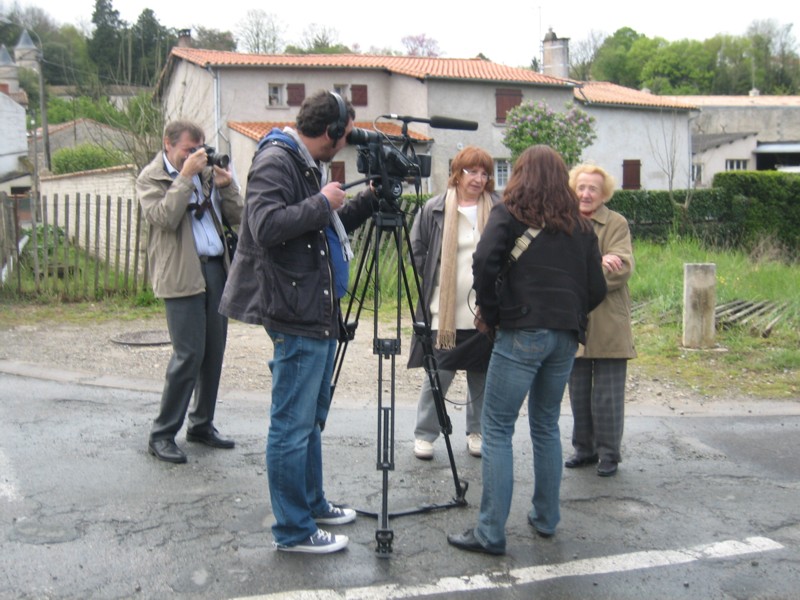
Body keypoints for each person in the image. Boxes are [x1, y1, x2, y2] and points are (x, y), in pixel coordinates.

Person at [219, 90, 376, 554]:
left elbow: (317, 226)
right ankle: (293, 530)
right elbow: (264, 226)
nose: (343, 145)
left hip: (315, 305)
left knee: (308, 419)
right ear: (329, 130)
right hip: (294, 309)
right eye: (343, 137)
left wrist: (365, 202)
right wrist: (323, 203)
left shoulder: (303, 162)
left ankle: (312, 504)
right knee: (291, 424)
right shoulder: (275, 159)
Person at [447, 145, 607, 555]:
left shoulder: (509, 213)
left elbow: (483, 262)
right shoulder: (582, 228)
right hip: (566, 336)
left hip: (520, 329)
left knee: (497, 429)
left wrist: (493, 311)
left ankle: (490, 532)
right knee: (546, 425)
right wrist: (567, 315)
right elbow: (596, 289)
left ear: (519, 175)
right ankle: (546, 519)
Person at [137, 120, 243, 464]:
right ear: (168, 145)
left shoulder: (206, 174)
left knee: (213, 353)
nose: (196, 155)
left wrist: (226, 187)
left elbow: (239, 216)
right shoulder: (151, 178)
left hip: (215, 269)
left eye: (199, 148)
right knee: (188, 355)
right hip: (181, 273)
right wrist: (185, 177)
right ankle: (162, 434)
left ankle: (201, 424)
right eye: (188, 149)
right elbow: (164, 217)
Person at [408, 146, 500, 460]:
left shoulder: (498, 209)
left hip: (485, 312)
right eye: (471, 171)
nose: (479, 178)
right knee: (438, 375)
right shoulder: (434, 208)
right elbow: (416, 249)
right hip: (443, 312)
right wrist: (435, 276)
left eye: (484, 173)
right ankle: (425, 435)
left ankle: (478, 433)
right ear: (457, 173)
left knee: (482, 377)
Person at [565, 163, 636, 477]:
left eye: (593, 188)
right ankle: (584, 449)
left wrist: (577, 276)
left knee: (608, 393)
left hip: (608, 320)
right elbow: (558, 265)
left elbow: (621, 268)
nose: (586, 193)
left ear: (603, 193)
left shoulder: (616, 223)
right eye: (581, 187)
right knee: (577, 389)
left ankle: (609, 453)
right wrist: (596, 262)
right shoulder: (564, 222)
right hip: (573, 319)